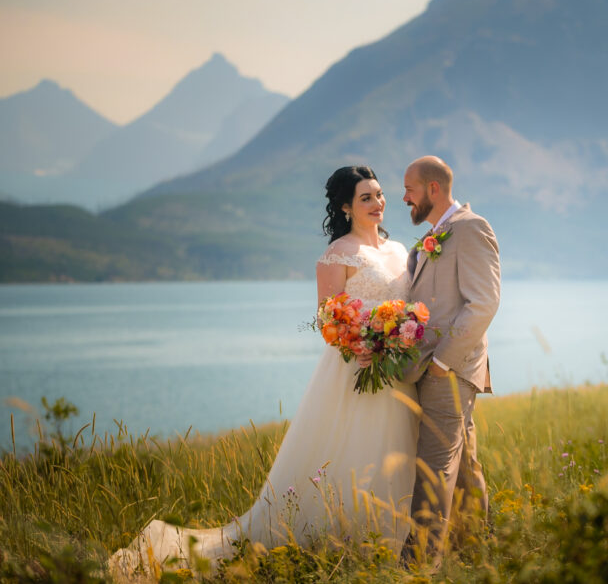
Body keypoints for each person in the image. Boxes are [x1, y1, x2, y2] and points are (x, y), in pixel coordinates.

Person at [109, 166, 419, 579]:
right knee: (353, 453)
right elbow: (329, 321)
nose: (378, 203)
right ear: (346, 207)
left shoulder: (399, 250)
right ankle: (345, 540)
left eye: (379, 195)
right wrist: (363, 344)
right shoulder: (336, 256)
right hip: (356, 371)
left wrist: (397, 335)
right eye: (366, 198)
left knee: (399, 452)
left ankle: (403, 542)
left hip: (396, 371)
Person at [399, 156, 501, 565]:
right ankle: (477, 551)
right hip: (433, 367)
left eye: (410, 188)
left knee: (434, 467)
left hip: (450, 369)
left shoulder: (471, 228)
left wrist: (443, 362)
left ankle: (419, 565)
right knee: (463, 464)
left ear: (433, 189)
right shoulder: (436, 234)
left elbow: (485, 303)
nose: (404, 197)